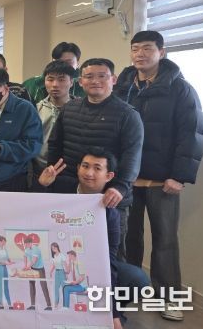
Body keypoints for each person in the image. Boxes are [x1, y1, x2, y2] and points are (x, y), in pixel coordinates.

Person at [114, 30, 203, 322]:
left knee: (165, 240)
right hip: (128, 179)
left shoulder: (180, 88)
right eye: (135, 48)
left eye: (147, 48)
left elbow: (191, 134)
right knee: (127, 239)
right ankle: (127, 291)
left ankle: (170, 298)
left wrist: (179, 176)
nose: (140, 54)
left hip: (162, 180)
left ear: (161, 52)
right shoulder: (123, 85)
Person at [38, 147, 152, 328]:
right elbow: (32, 211)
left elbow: (109, 261)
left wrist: (113, 314)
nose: (89, 173)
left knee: (137, 279)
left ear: (109, 176)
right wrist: (42, 185)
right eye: (85, 166)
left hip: (91, 265)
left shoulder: (110, 211)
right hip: (54, 261)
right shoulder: (59, 185)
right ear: (78, 168)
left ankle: (109, 313)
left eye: (97, 168)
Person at [46, 58, 143, 257]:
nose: (95, 81)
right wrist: (53, 175)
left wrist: (120, 187)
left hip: (109, 196)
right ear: (80, 81)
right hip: (71, 192)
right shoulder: (69, 109)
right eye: (89, 76)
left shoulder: (128, 115)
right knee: (67, 247)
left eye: (102, 76)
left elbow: (132, 155)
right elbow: (55, 144)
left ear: (113, 79)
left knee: (109, 254)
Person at [31, 61, 75, 192]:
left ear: (71, 82)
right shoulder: (35, 109)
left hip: (70, 172)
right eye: (50, 79)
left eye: (61, 79)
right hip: (40, 170)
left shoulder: (79, 109)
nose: (55, 84)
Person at [22, 236, 52, 311]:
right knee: (31, 285)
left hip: (40, 269)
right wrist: (25, 265)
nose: (25, 245)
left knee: (44, 286)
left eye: (26, 244)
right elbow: (25, 256)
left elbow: (34, 261)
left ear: (30, 243)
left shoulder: (36, 249)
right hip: (32, 268)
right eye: (25, 244)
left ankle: (49, 305)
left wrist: (27, 267)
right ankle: (32, 305)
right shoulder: (27, 249)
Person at [0, 235, 13, 310]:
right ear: (0, 241)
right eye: (4, 242)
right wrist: (7, 263)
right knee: (0, 286)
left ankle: (9, 303)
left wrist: (10, 261)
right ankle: (1, 304)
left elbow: (7, 257)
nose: (5, 243)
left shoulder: (4, 249)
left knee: (6, 286)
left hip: (4, 268)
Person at [48, 242, 67, 309]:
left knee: (64, 288)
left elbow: (65, 265)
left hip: (62, 272)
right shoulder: (54, 256)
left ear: (57, 247)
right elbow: (54, 265)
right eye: (52, 248)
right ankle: (56, 303)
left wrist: (66, 273)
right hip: (57, 273)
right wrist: (50, 272)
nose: (53, 249)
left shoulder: (62, 255)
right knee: (56, 289)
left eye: (54, 247)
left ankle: (65, 304)